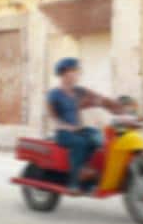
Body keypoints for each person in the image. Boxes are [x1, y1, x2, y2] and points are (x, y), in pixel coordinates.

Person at [46, 57, 121, 192]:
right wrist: (66, 127)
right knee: (80, 143)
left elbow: (99, 99)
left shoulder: (79, 91)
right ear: (63, 73)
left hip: (78, 130)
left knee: (99, 137)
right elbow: (53, 117)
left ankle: (89, 172)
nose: (77, 74)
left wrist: (116, 106)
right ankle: (74, 183)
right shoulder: (54, 94)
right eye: (73, 71)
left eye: (77, 71)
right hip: (63, 133)